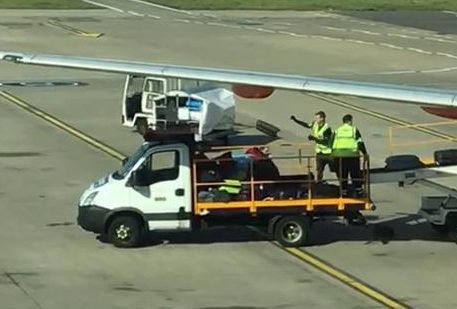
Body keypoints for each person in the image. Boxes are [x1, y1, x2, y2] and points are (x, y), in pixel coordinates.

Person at [290, 111, 333, 183]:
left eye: (317, 118)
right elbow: (306, 125)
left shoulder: (327, 128)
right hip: (319, 152)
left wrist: (314, 139)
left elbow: (326, 142)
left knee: (335, 169)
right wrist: (295, 120)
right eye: (316, 118)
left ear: (322, 118)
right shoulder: (314, 124)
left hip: (328, 153)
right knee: (319, 169)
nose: (316, 120)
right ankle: (319, 182)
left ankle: (342, 184)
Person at [332, 114, 368, 197]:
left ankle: (343, 191)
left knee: (343, 174)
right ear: (349, 121)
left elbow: (331, 143)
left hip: (339, 155)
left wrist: (332, 155)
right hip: (352, 155)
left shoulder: (337, 130)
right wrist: (365, 153)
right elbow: (360, 143)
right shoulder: (353, 130)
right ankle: (359, 190)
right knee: (355, 173)